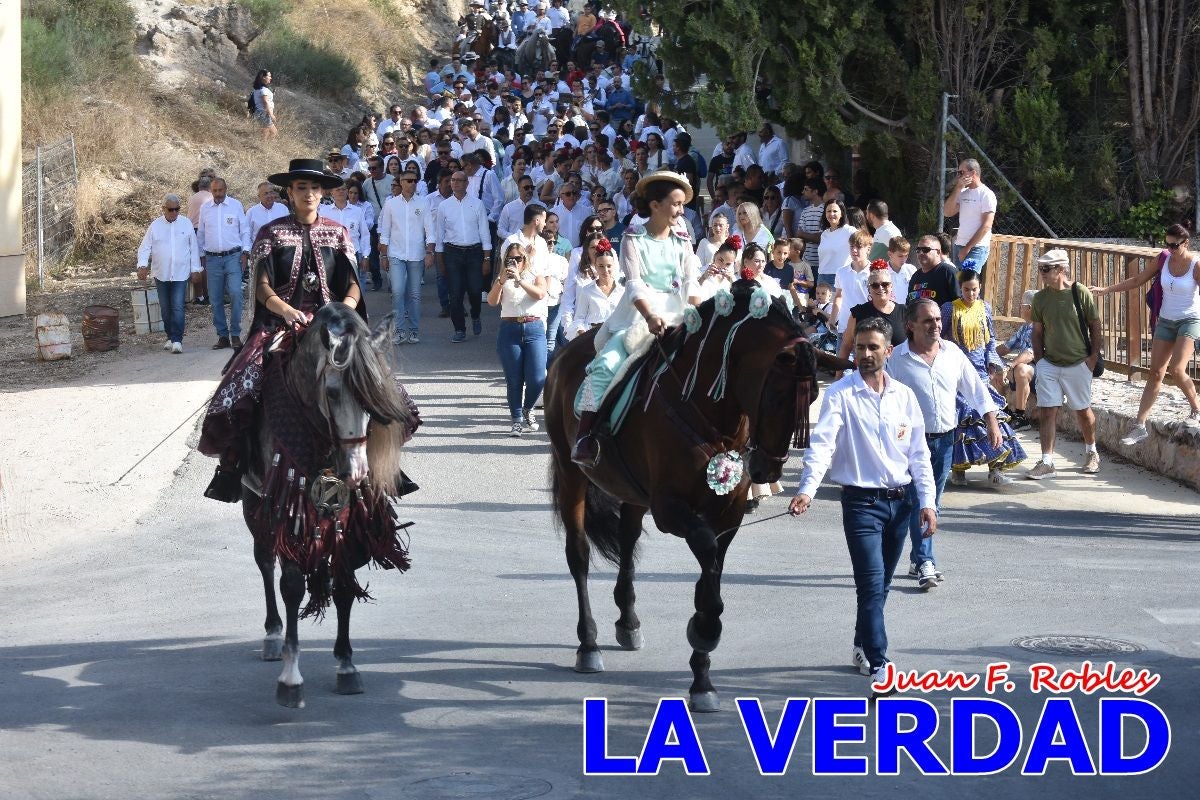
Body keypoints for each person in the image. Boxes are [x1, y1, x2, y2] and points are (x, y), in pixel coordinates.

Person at [197, 160, 364, 501]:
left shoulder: (338, 232)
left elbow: (353, 285)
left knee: (375, 381)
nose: (309, 194)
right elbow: (261, 287)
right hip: (279, 323)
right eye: (301, 187)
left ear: (324, 193)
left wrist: (341, 310)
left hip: (332, 323)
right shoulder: (271, 233)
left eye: (315, 188)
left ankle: (383, 468)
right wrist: (288, 311)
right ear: (290, 193)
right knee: (241, 380)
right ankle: (233, 463)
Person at [789, 317, 937, 691]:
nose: (866, 354)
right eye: (859, 347)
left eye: (873, 347)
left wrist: (928, 503)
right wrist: (807, 489)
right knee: (870, 585)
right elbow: (821, 445)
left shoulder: (904, 396)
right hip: (861, 504)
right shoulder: (840, 394)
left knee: (882, 584)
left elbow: (919, 454)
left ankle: (861, 643)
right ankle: (879, 662)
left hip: (901, 503)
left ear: (888, 351)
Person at [572, 172, 702, 466]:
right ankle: (586, 437)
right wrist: (650, 315)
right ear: (655, 205)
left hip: (679, 315)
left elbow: (691, 283)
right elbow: (634, 284)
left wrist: (698, 313)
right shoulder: (633, 238)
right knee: (606, 365)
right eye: (676, 204)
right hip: (639, 316)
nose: (681, 211)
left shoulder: (683, 241)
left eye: (682, 205)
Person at [887, 298, 999, 589]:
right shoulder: (896, 359)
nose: (936, 325)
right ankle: (926, 562)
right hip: (911, 444)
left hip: (945, 440)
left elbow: (975, 389)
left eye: (937, 319)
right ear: (910, 326)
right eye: (928, 320)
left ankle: (915, 558)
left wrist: (991, 421)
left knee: (931, 502)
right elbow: (883, 403)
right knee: (919, 501)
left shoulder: (952, 354)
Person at [1091, 223, 1200, 444]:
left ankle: (1196, 410)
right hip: (1166, 321)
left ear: (1186, 243)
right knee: (1155, 373)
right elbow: (1137, 280)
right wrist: (1106, 290)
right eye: (1166, 244)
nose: (1170, 248)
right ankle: (1139, 426)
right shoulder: (1163, 258)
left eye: (1175, 245)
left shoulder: (1195, 264)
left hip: (1190, 320)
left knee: (1177, 370)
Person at [940, 268, 1027, 486]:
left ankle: (995, 467)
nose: (971, 294)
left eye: (975, 290)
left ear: (980, 288)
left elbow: (990, 340)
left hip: (980, 372)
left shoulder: (984, 308)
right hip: (957, 372)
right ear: (960, 289)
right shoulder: (949, 309)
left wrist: (993, 363)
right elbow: (940, 338)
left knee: (991, 417)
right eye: (967, 290)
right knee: (962, 421)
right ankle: (958, 470)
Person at [1028, 249, 1102, 478]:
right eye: (1040, 268)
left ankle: (1091, 452)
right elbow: (1037, 333)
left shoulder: (1079, 292)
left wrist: (1092, 359)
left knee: (1082, 411)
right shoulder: (1039, 298)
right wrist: (1039, 362)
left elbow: (1095, 326)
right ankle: (1047, 461)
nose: (1042, 273)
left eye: (1046, 269)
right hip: (1049, 363)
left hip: (1078, 362)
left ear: (1061, 269)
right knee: (1047, 411)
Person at [488, 240, 549, 436]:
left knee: (538, 377)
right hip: (510, 328)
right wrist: (501, 281)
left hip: (534, 328)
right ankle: (516, 420)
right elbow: (491, 301)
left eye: (518, 258)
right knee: (514, 379)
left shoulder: (535, 275)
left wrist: (520, 281)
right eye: (510, 259)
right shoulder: (501, 278)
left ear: (525, 259)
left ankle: (528, 407)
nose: (514, 262)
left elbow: (540, 294)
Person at [136, 194, 201, 354]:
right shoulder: (155, 225)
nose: (174, 212)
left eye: (177, 209)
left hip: (181, 273)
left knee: (178, 306)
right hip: (161, 273)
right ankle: (170, 336)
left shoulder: (186, 224)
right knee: (165, 307)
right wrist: (142, 265)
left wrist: (196, 269)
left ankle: (177, 340)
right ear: (163, 209)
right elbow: (145, 247)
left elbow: (194, 248)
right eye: (171, 209)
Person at [434, 171, 493, 342]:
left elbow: (484, 232)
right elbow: (440, 235)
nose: (456, 183)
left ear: (467, 183)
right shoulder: (444, 206)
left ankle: (475, 314)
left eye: (460, 180)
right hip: (452, 252)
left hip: (474, 252)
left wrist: (487, 258)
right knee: (455, 293)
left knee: (475, 290)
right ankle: (459, 328)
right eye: (453, 180)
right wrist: (440, 260)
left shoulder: (477, 204)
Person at [378, 168, 430, 344]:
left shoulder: (423, 203)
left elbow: (430, 230)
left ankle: (414, 330)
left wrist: (430, 252)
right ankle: (399, 330)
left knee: (415, 294)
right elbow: (384, 231)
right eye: (408, 180)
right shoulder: (391, 204)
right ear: (401, 182)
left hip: (416, 255)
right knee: (398, 292)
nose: (412, 184)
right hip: (396, 254)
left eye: (415, 180)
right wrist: (383, 256)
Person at [197, 178, 250, 350]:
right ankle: (222, 336)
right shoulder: (205, 208)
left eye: (220, 190)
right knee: (215, 298)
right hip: (212, 260)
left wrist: (245, 252)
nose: (218, 194)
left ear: (226, 188)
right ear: (211, 191)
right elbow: (201, 234)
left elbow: (245, 230)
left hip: (233, 256)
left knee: (235, 293)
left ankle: (235, 334)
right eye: (215, 191)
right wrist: (200, 257)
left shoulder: (235, 205)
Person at [838, 261, 906, 361]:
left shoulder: (904, 311)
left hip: (899, 373)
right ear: (869, 289)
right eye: (875, 285)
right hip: (867, 372)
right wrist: (839, 376)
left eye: (885, 284)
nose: (880, 288)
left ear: (891, 287)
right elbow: (846, 346)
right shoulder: (858, 313)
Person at [995, 290, 1037, 431]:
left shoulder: (1040, 328)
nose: (1020, 308)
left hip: (1039, 370)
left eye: (1022, 305)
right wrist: (988, 355)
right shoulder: (1025, 328)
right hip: (1022, 367)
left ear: (1030, 308)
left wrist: (1011, 365)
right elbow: (1006, 347)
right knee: (994, 364)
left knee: (1021, 369)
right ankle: (1004, 408)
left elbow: (1030, 354)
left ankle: (1021, 416)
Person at [944, 159, 997, 271]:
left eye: (961, 172)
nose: (958, 176)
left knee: (968, 280)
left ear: (973, 173)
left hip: (977, 247)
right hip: (959, 245)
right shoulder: (963, 193)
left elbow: (986, 226)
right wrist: (958, 188)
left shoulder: (986, 194)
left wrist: (967, 248)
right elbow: (947, 212)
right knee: (959, 283)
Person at [568, 239, 623, 339]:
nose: (605, 270)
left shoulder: (623, 290)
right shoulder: (587, 291)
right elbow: (579, 319)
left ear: (614, 266)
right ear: (596, 267)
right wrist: (582, 334)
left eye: (609, 266)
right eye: (601, 266)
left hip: (617, 337)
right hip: (593, 337)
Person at [906, 234, 960, 305]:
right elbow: (908, 305)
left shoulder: (949, 272)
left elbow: (961, 303)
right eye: (918, 250)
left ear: (938, 252)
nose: (921, 253)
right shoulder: (915, 277)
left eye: (926, 250)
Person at [817, 199, 852, 289]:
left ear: (842, 213)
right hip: (822, 276)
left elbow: (865, 242)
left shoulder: (848, 230)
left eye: (835, 211)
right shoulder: (824, 233)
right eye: (828, 211)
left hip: (839, 277)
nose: (831, 214)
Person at [245, 182, 289, 254]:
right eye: (266, 193)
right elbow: (246, 233)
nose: (269, 195)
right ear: (259, 196)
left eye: (271, 192)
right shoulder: (251, 212)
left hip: (280, 252)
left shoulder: (283, 209)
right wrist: (250, 250)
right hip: (260, 253)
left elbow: (288, 230)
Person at [251, 69, 277, 140]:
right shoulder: (263, 90)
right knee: (271, 133)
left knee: (271, 132)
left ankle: (263, 146)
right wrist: (271, 115)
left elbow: (263, 100)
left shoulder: (257, 89)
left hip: (260, 113)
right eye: (269, 76)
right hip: (264, 113)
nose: (271, 78)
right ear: (263, 77)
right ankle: (263, 147)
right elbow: (265, 102)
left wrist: (271, 94)